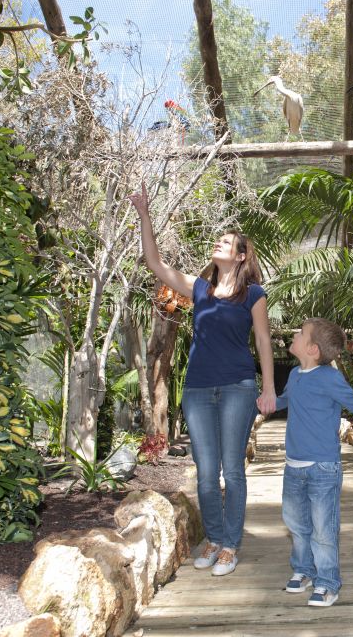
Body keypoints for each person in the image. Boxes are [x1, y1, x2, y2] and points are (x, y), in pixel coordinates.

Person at [129, 184, 277, 577]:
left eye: (227, 241)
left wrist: (268, 388)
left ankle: (231, 545)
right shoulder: (200, 288)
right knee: (206, 470)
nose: (219, 242)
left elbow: (262, 340)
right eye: (219, 239)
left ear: (241, 255)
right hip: (197, 388)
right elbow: (155, 264)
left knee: (233, 467)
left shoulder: (254, 294)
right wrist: (144, 214)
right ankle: (213, 538)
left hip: (237, 387)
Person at [274, 318, 353, 607]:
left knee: (323, 529)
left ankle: (327, 582)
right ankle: (304, 569)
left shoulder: (330, 378)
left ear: (312, 349)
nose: (294, 335)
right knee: (295, 522)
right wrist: (268, 402)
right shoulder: (296, 374)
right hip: (293, 465)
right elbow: (285, 399)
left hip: (323, 467)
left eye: (300, 333)